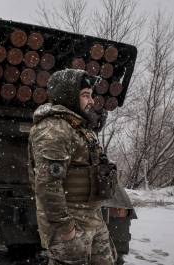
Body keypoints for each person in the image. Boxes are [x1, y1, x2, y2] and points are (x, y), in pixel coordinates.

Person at [28, 69, 117, 264]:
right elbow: (47, 186)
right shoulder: (54, 129)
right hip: (72, 224)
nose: (91, 101)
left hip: (92, 217)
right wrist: (66, 229)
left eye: (91, 95)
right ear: (68, 96)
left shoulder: (79, 127)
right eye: (85, 95)